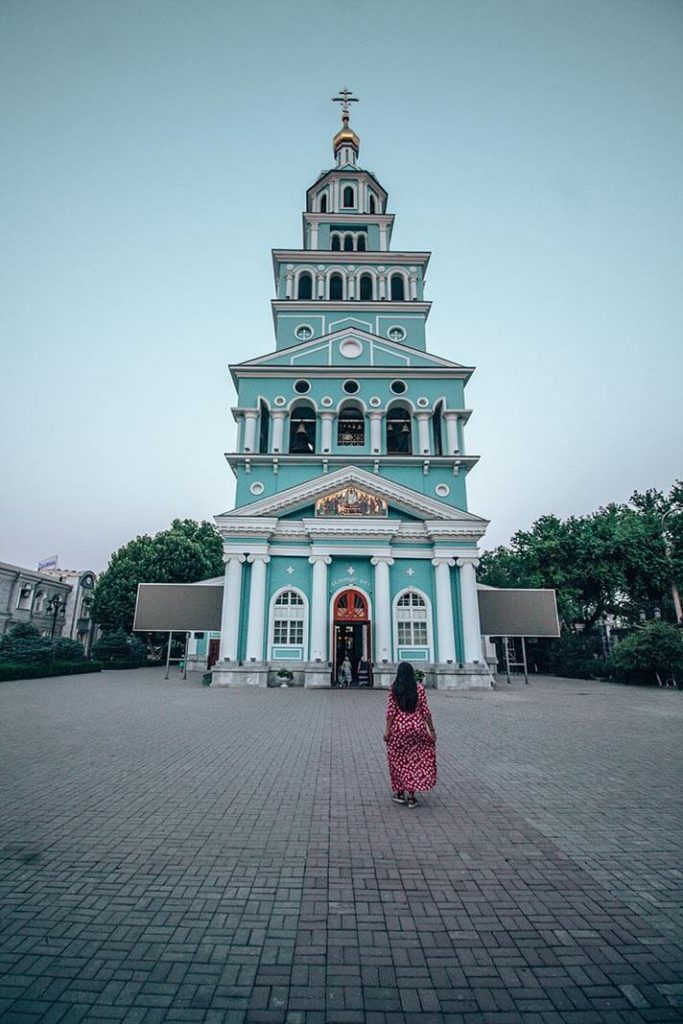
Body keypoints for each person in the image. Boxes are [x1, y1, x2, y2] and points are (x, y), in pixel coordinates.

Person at [383, 662, 436, 807]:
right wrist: (432, 730)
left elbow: (391, 713)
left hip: (399, 730)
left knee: (397, 762)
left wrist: (387, 731)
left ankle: (400, 793)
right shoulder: (419, 688)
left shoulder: (394, 689)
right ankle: (412, 796)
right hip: (417, 728)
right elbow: (425, 711)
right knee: (414, 761)